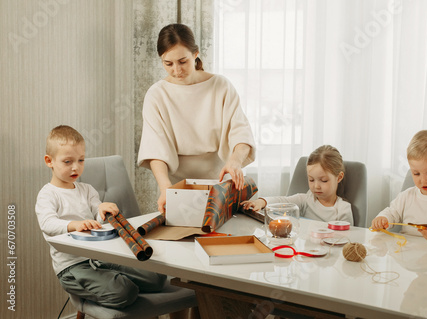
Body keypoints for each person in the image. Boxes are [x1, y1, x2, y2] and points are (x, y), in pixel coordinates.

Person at [35, 125, 168, 310]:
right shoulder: (48, 194)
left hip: (100, 258)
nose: (76, 167)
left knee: (157, 279)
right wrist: (76, 225)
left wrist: (102, 209)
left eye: (81, 160)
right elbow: (48, 224)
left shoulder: (87, 189)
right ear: (49, 161)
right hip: (73, 267)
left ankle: (115, 282)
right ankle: (116, 286)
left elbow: (99, 217)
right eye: (67, 161)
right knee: (125, 292)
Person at [137, 23, 256, 214]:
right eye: (168, 64)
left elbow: (240, 132)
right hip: (179, 187)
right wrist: (165, 187)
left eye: (182, 61)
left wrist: (235, 161)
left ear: (195, 54)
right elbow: (155, 149)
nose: (176, 70)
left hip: (220, 182)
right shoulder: (156, 94)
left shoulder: (221, 86)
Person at [241, 145, 353, 223]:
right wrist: (261, 202)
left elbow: (348, 239)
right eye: (311, 180)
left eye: (323, 180)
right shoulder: (306, 200)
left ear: (339, 177)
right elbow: (283, 201)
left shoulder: (343, 209)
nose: (316, 186)